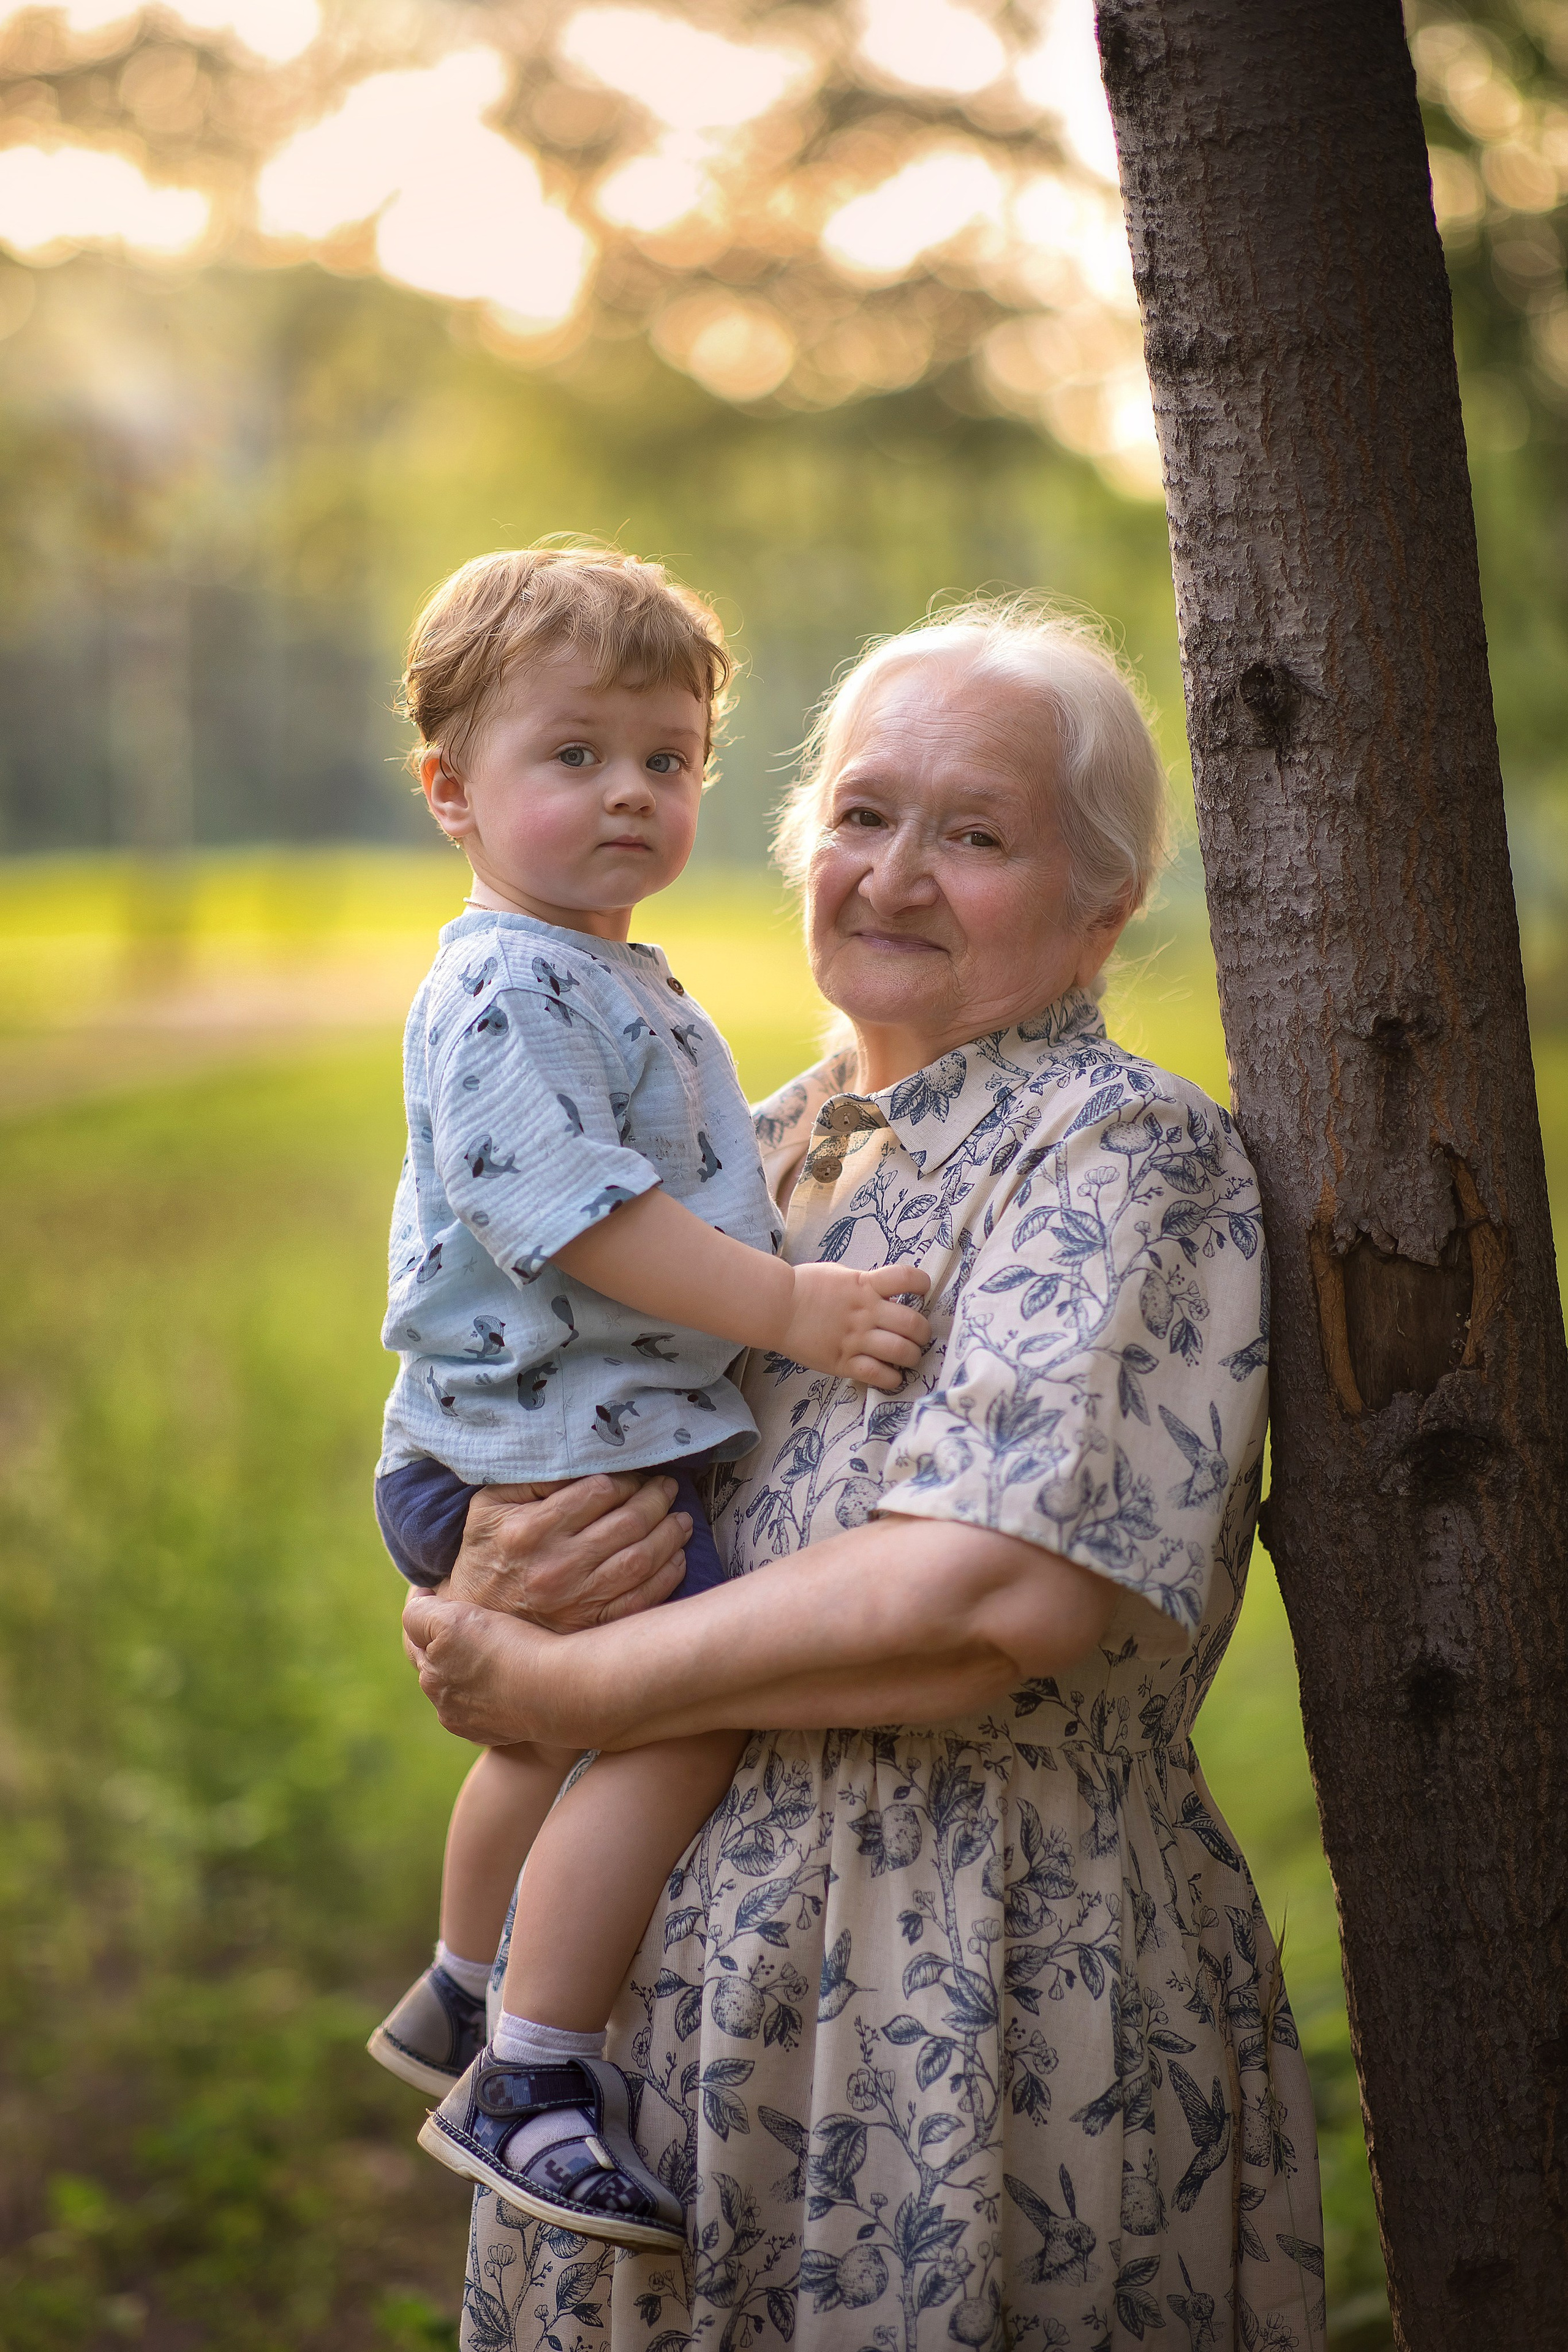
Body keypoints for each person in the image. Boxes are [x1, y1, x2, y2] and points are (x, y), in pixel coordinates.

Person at [405, 599, 1327, 2351]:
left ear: (1101, 903)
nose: (897, 873)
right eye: (863, 815)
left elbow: (996, 1596)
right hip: (642, 2039)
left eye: (975, 836)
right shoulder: (736, 1168)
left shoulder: (1123, 1151)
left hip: (971, 1987)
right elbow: (516, 1406)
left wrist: (564, 1679)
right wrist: (474, 1582)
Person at [368, 545, 930, 2252]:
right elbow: (586, 1218)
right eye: (576, 754)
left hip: (552, 1441)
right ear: (451, 793)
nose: (631, 793)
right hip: (539, 1456)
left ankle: (464, 1989)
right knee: (670, 1715)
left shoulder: (591, 968)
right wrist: (790, 1311)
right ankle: (533, 2074)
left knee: (548, 1723)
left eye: (668, 760)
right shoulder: (508, 985)